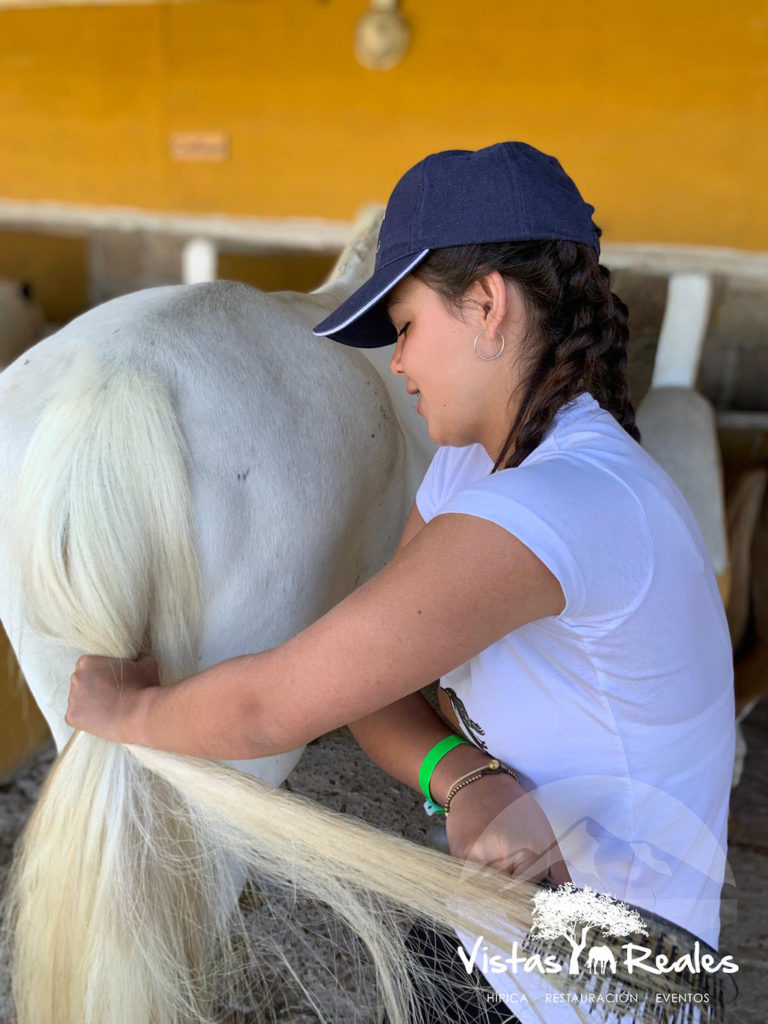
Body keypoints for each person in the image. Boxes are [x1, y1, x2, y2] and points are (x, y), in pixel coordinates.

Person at [66, 142, 735, 1023]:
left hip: (602, 992)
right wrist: (462, 775)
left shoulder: (567, 503)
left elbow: (275, 707)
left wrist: (124, 714)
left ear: (488, 306)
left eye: (409, 327)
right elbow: (372, 689)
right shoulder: (472, 474)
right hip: (501, 937)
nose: (401, 366)